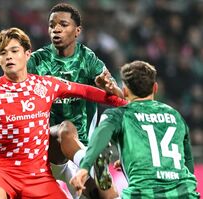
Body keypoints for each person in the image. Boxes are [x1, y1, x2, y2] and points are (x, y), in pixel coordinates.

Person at [0, 27, 126, 199]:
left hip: (38, 175)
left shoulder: (46, 85)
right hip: (3, 172)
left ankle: (92, 168)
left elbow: (87, 92)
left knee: (65, 131)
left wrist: (124, 103)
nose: (8, 56)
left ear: (27, 55)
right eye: (3, 53)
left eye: (14, 50)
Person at [27, 3, 122, 199]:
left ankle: (95, 168)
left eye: (63, 24)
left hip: (81, 147)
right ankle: (92, 162)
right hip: (49, 147)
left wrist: (110, 88)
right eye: (52, 25)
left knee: (103, 196)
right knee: (65, 129)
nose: (56, 29)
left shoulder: (88, 59)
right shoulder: (37, 61)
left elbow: (118, 98)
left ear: (77, 31)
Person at [70, 60, 200, 198]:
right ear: (155, 88)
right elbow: (188, 164)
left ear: (125, 91)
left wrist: (84, 168)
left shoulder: (120, 115)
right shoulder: (175, 116)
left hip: (143, 194)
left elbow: (99, 137)